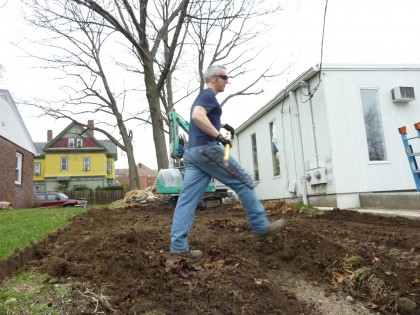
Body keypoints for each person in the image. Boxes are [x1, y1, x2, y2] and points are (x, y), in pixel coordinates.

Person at [170, 64, 287, 260]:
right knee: (243, 181)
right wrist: (219, 136)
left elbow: (202, 117)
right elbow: (197, 116)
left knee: (187, 200)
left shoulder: (206, 99)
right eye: (225, 77)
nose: (227, 81)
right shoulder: (207, 95)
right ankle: (261, 227)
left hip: (192, 154)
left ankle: (178, 247)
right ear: (213, 78)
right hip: (206, 149)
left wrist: (222, 125)